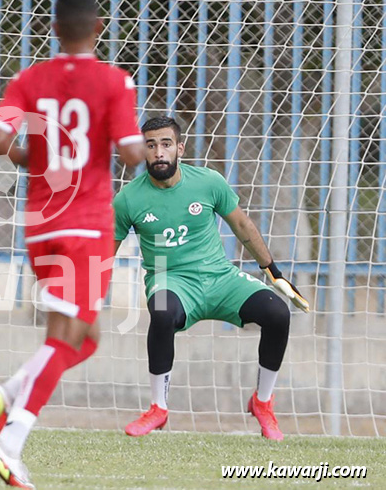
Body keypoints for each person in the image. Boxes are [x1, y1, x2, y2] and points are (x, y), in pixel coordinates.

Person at [0, 0, 145, 488]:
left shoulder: (30, 79)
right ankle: (9, 444)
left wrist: (45, 157)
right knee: (63, 337)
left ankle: (8, 392)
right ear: (99, 27)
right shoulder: (114, 82)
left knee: (86, 339)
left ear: (53, 30)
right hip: (86, 226)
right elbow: (134, 154)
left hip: (42, 226)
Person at [113, 116, 310, 442]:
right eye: (150, 146)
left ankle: (263, 403)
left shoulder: (208, 182)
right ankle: (158, 408)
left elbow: (243, 226)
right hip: (170, 279)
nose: (158, 152)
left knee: (277, 313)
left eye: (165, 144)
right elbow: (107, 249)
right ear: (143, 151)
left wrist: (272, 270)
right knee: (161, 311)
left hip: (219, 277)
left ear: (180, 147)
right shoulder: (128, 199)